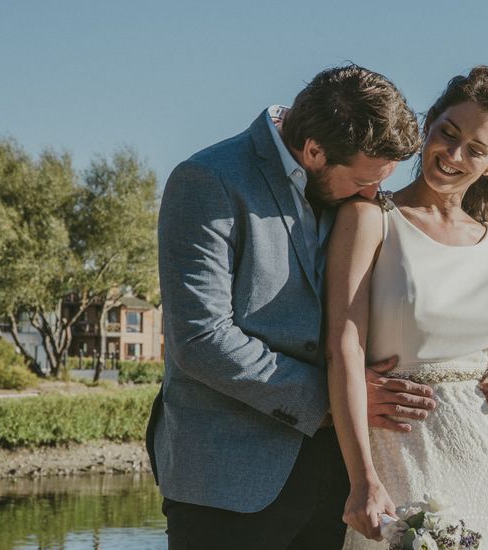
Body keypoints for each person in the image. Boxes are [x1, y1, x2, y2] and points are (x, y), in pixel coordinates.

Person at [147, 65, 429, 549]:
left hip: (339, 485)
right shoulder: (207, 180)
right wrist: (336, 400)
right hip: (229, 482)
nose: (374, 195)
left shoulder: (352, 193)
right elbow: (200, 339)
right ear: (314, 151)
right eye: (365, 180)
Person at [327, 66, 488, 549]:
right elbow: (344, 343)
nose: (454, 154)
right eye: (448, 134)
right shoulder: (369, 220)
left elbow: (487, 356)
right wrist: (362, 478)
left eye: (476, 149)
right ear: (427, 128)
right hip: (401, 464)